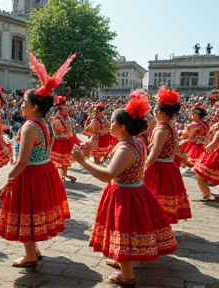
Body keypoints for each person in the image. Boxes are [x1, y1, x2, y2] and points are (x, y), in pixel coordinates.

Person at [73, 96, 177, 286]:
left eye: (113, 122)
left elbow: (107, 174)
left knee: (123, 232)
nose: (109, 125)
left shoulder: (126, 148)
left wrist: (83, 161)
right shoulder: (135, 142)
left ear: (123, 127)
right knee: (125, 231)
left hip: (125, 196)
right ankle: (123, 259)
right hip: (134, 192)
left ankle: (127, 276)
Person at [0, 52, 75, 267]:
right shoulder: (46, 123)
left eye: (24, 102)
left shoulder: (30, 126)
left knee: (26, 212)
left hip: (30, 173)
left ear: (35, 106)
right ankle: (35, 250)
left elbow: (22, 161)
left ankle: (30, 256)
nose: (21, 105)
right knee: (33, 212)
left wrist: (8, 179)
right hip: (44, 171)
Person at [144, 85, 192, 224]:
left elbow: (154, 153)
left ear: (164, 113)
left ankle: (156, 226)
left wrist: (143, 167)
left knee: (154, 197)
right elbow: (176, 149)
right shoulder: (170, 128)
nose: (154, 111)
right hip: (168, 168)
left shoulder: (161, 130)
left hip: (158, 168)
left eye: (156, 109)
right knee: (161, 199)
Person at [50, 96, 79, 181]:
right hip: (59, 142)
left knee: (65, 161)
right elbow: (59, 131)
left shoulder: (65, 118)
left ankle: (65, 174)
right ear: (60, 108)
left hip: (66, 142)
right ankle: (58, 176)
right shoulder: (56, 119)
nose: (67, 108)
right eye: (65, 106)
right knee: (58, 160)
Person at [193, 122, 219, 201]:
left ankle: (206, 195)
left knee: (200, 174)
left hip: (215, 156)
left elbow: (211, 145)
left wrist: (205, 152)